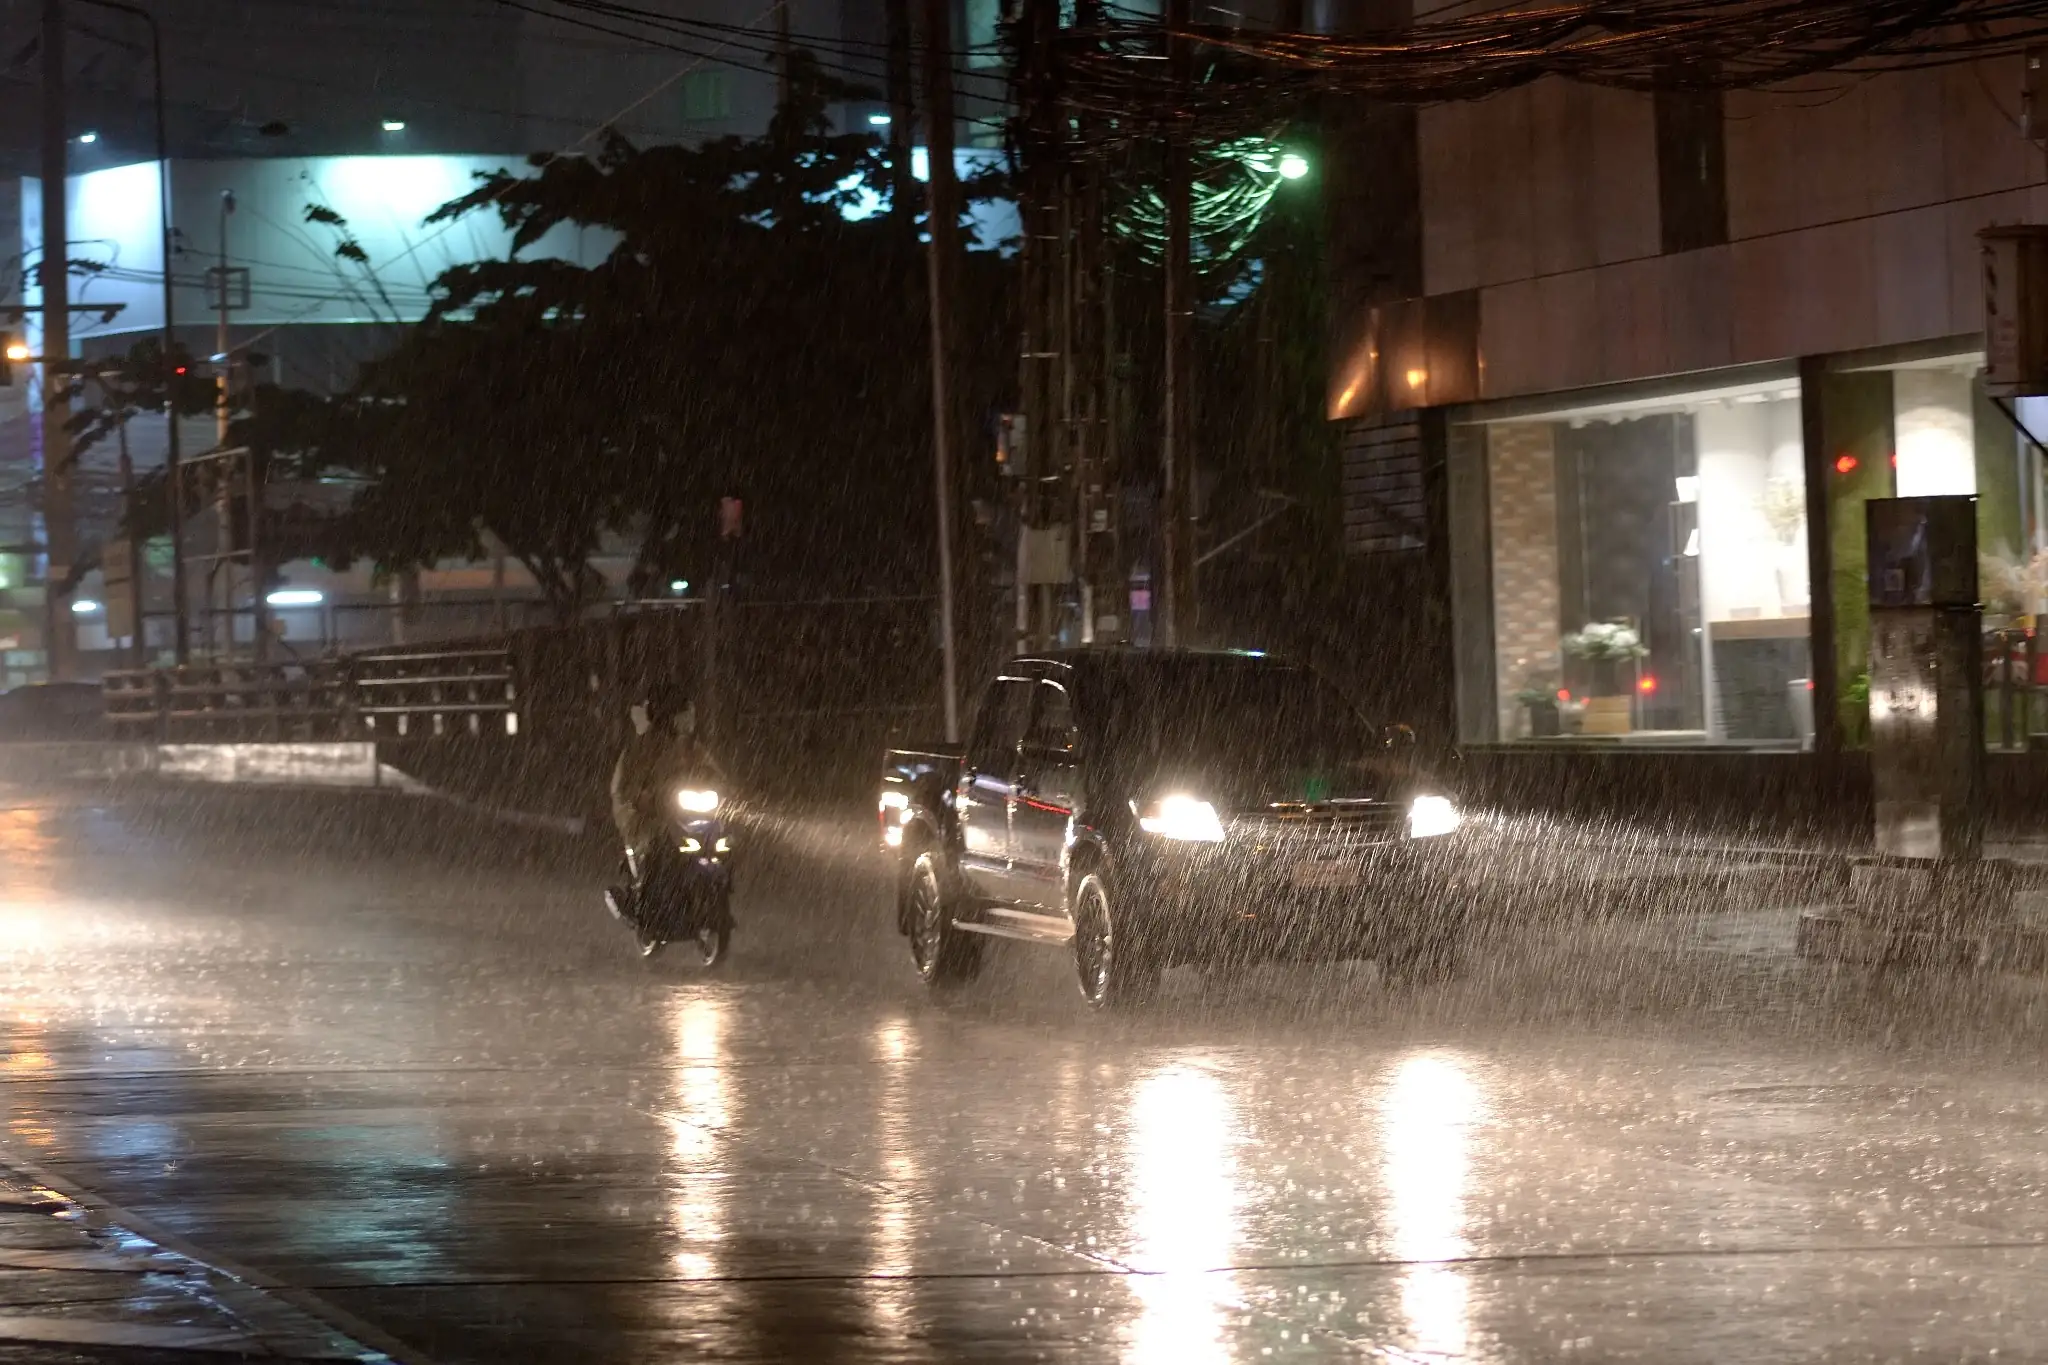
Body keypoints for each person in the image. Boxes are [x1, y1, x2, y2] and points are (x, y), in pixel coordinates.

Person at [604, 682, 723, 942]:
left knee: (721, 841)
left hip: (682, 813)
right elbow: (626, 787)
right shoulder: (641, 747)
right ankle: (644, 909)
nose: (687, 720)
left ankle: (705, 898)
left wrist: (721, 789)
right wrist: (641, 797)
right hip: (642, 815)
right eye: (682, 714)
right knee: (657, 847)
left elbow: (712, 772)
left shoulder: (691, 747)